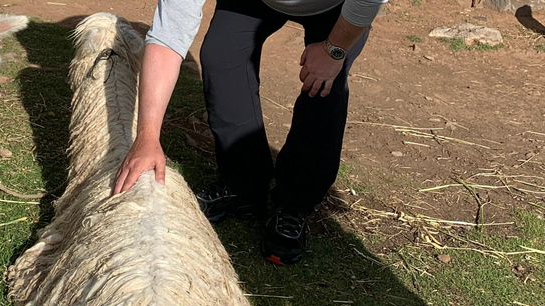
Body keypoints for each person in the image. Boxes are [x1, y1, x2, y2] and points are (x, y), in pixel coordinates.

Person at [113, 0, 387, 264]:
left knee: (324, 85)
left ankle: (295, 203)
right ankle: (243, 185)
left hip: (334, 6)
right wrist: (147, 136)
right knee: (221, 56)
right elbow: (168, 36)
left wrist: (333, 51)